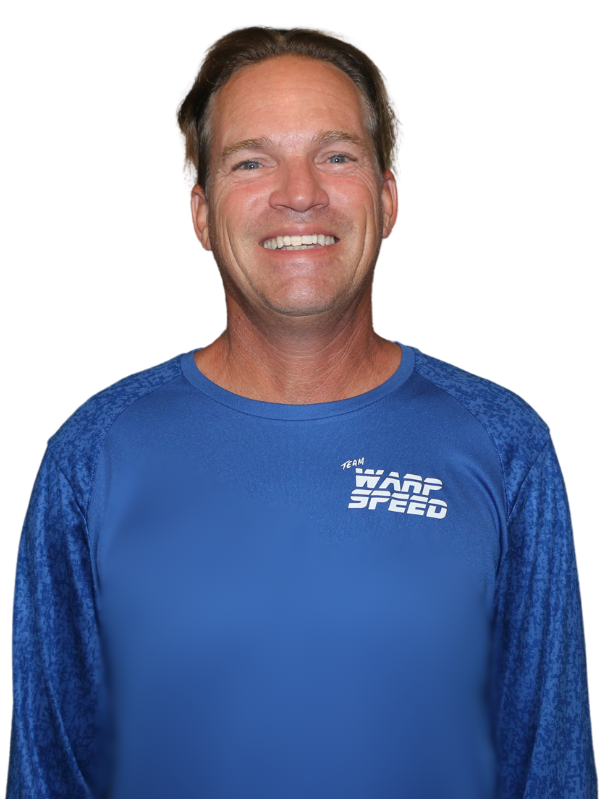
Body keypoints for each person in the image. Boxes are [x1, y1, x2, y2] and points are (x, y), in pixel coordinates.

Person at [7, 24, 596, 799]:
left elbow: (550, 771)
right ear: (200, 213)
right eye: (251, 161)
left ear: (387, 198)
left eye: (336, 155)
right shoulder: (93, 454)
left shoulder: (504, 440)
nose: (299, 193)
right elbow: (47, 775)